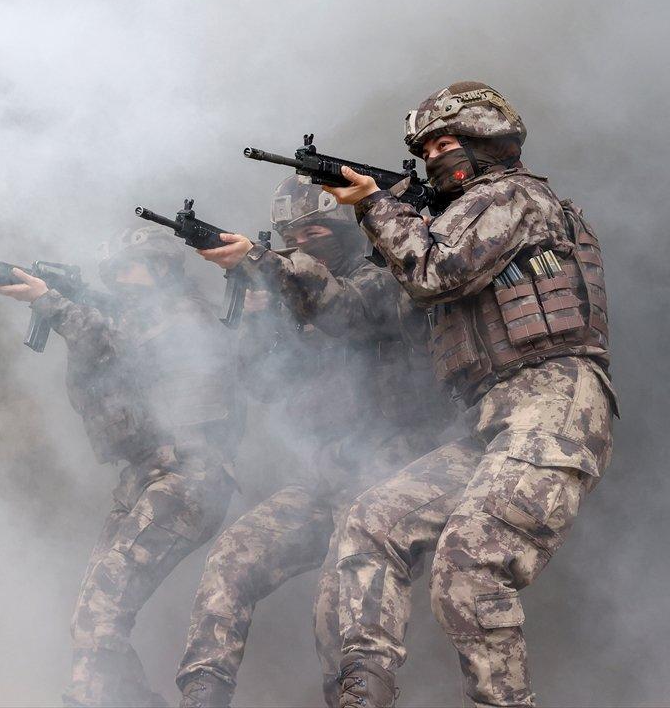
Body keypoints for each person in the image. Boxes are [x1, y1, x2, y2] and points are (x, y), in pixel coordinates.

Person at [323, 82, 616, 707]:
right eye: (426, 149)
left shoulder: (511, 195)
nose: (435, 156)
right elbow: (394, 308)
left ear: (488, 136)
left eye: (446, 142)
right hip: (492, 420)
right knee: (373, 521)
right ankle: (363, 688)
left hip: (553, 406)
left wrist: (376, 205)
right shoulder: (455, 218)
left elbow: (435, 273)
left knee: (470, 565)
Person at [172, 177, 461, 708]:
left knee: (338, 604)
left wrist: (267, 264)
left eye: (314, 232)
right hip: (325, 473)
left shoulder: (386, 275)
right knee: (232, 557)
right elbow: (266, 385)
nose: (303, 243)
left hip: (386, 471)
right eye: (292, 237)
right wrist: (260, 322)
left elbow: (348, 311)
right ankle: (202, 693)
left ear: (343, 230)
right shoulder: (295, 294)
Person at [0, 226, 240, 708]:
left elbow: (121, 346)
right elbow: (98, 379)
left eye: (132, 267)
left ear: (162, 269)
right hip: (144, 476)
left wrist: (53, 302)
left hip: (190, 475)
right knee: (89, 617)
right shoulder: (123, 319)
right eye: (114, 271)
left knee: (101, 608)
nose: (120, 278)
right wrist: (58, 304)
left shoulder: (185, 315)